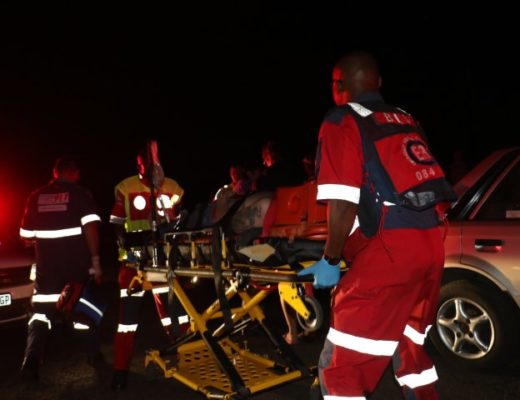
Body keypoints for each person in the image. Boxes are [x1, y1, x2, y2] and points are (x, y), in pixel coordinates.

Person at [298, 51, 454, 399]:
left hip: (389, 252)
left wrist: (330, 259)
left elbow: (343, 200)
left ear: (337, 86)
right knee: (410, 348)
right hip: (431, 245)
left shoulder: (342, 120)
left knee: (343, 367)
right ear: (379, 82)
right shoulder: (406, 119)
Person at [19, 156, 103, 381]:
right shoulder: (80, 194)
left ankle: (31, 359)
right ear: (74, 173)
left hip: (47, 271)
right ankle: (94, 355)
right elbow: (91, 229)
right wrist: (96, 261)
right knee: (85, 309)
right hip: (76, 268)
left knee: (40, 315)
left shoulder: (35, 196)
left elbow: (25, 236)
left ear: (55, 173)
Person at [109, 143, 185, 390]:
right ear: (139, 165)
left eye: (154, 162)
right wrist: (127, 242)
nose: (151, 168)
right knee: (127, 321)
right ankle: (121, 370)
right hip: (134, 263)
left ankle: (186, 355)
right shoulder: (126, 186)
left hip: (162, 261)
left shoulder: (172, 187)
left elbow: (178, 219)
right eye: (146, 163)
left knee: (174, 314)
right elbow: (116, 222)